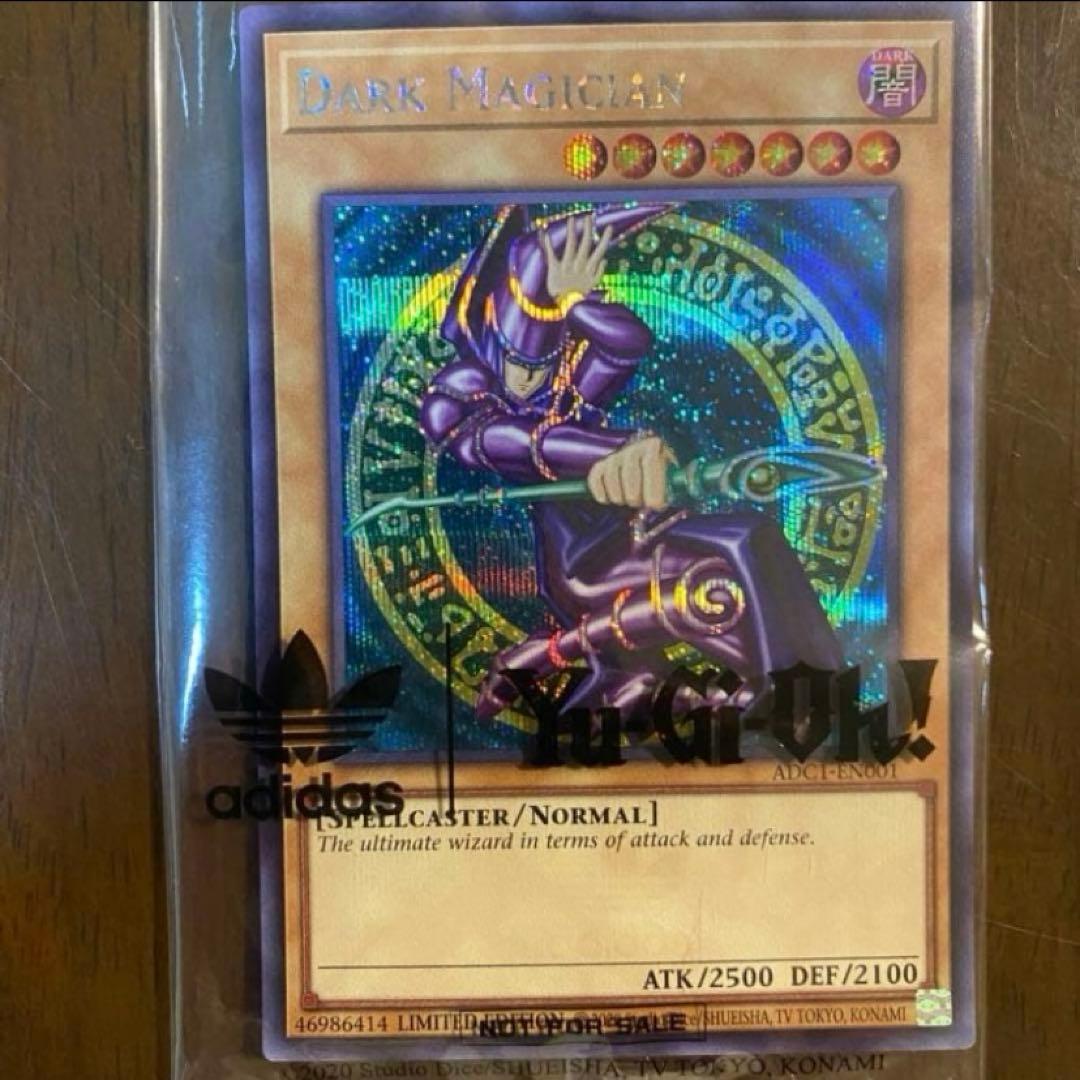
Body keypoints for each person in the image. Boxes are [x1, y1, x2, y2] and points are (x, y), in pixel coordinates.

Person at [421, 203, 842, 722]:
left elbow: (627, 343)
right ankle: (775, 691)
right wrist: (612, 451)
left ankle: (808, 683)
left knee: (747, 535)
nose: (531, 379)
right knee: (720, 570)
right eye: (517, 363)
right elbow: (519, 443)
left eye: (543, 363)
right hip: (583, 565)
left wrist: (574, 301)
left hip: (630, 532)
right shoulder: (468, 400)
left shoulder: (563, 385)